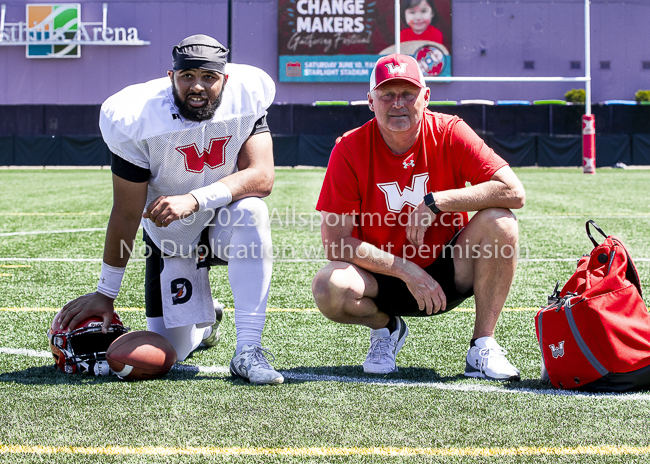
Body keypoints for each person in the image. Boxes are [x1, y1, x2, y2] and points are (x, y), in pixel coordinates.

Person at [57, 34, 284, 385]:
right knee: (167, 353)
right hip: (171, 237)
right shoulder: (136, 118)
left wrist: (196, 199)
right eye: (187, 76)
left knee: (253, 210)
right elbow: (127, 212)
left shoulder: (247, 95)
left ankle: (248, 350)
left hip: (223, 222)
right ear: (170, 77)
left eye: (208, 77)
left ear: (225, 79)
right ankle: (205, 325)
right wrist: (106, 292)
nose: (197, 86)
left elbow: (262, 176)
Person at [311, 54, 525, 380]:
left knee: (501, 222)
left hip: (448, 270)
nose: (398, 103)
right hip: (381, 275)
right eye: (387, 95)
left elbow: (513, 191)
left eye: (408, 94)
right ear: (371, 101)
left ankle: (482, 344)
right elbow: (337, 245)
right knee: (329, 286)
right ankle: (386, 329)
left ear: (426, 97)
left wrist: (437, 201)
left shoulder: (450, 131)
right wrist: (407, 270)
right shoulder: (349, 148)